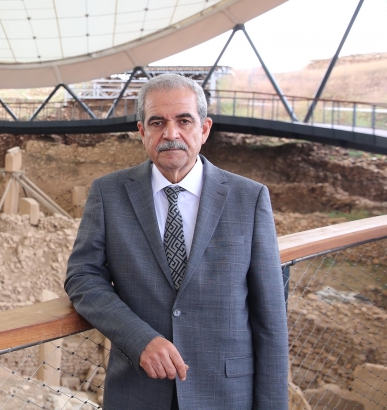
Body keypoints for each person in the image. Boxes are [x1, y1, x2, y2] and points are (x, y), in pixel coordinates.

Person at [64, 73, 288, 410]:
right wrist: (139, 338)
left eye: (184, 120)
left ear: (204, 129)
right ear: (142, 131)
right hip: (138, 392)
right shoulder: (109, 194)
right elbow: (82, 277)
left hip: (226, 396)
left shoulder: (249, 198)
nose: (171, 134)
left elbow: (269, 317)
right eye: (157, 122)